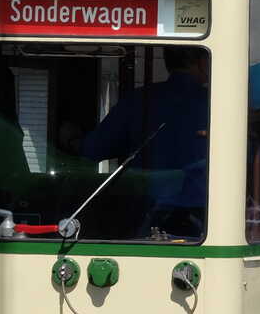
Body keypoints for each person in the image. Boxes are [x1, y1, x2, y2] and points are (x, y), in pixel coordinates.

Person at [78, 49, 210, 238]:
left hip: (143, 214)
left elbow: (92, 149)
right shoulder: (216, 104)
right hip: (203, 217)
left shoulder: (138, 100)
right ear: (199, 62)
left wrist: (71, 138)